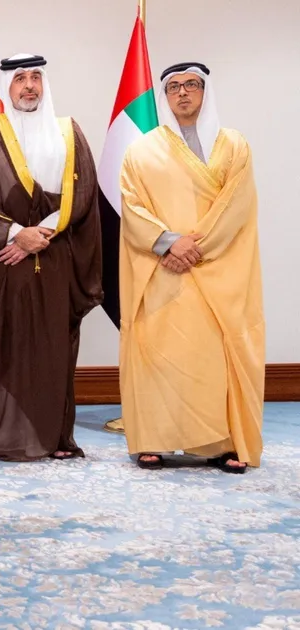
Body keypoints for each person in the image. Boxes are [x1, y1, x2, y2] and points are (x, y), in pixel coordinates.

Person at [0, 54, 103, 461]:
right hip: (4, 261)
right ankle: (1, 435)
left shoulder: (68, 132)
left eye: (36, 77)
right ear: (7, 85)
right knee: (5, 345)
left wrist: (42, 232)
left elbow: (83, 192)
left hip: (55, 257)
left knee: (53, 346)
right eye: (20, 78)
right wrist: (15, 234)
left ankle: (56, 436)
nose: (29, 86)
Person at [119, 62, 263, 473]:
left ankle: (224, 444)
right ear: (164, 96)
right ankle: (153, 440)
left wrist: (193, 248)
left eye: (192, 85)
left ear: (205, 91)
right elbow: (132, 205)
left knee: (215, 356)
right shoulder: (141, 151)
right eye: (174, 87)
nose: (183, 93)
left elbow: (238, 205)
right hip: (163, 269)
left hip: (220, 269)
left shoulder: (234, 145)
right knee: (159, 353)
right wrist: (169, 243)